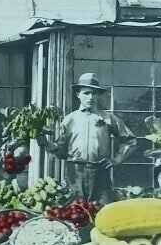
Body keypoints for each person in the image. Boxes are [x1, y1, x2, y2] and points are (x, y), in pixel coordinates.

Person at [45, 72, 136, 204]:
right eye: (86, 93)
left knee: (102, 209)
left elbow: (130, 140)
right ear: (78, 94)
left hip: (100, 171)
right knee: (75, 209)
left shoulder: (107, 118)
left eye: (94, 93)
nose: (91, 97)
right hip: (75, 172)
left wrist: (116, 159)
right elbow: (61, 151)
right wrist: (47, 144)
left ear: (98, 95)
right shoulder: (70, 119)